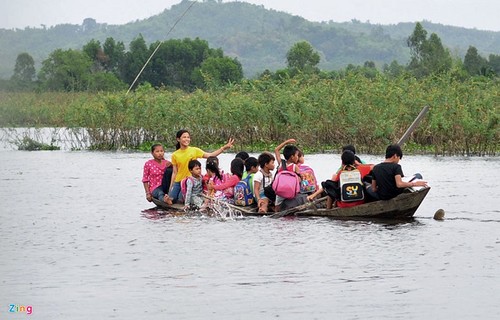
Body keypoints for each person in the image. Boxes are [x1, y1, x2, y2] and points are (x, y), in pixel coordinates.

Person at [166, 129, 234, 204]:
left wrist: (223, 148)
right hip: (178, 181)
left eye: (188, 137)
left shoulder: (194, 150)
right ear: (178, 139)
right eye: (184, 137)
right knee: (171, 197)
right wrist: (170, 187)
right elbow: (175, 172)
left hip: (189, 181)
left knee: (180, 199)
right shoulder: (175, 154)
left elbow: (210, 155)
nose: (187, 139)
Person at [308, 150, 372, 208]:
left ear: (342, 162)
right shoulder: (361, 169)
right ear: (354, 161)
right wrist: (359, 164)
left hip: (343, 204)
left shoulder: (341, 172)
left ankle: (328, 208)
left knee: (330, 185)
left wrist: (313, 195)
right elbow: (375, 167)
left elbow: (330, 185)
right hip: (360, 202)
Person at [273, 139, 301, 212]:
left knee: (277, 208)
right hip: (292, 192)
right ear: (292, 157)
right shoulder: (295, 167)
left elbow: (276, 150)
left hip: (280, 192)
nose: (297, 157)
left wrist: (286, 142)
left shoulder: (281, 164)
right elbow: (300, 180)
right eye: (297, 155)